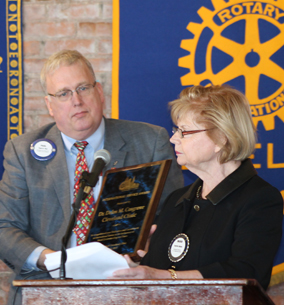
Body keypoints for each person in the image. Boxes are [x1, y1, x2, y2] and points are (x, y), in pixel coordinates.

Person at [0, 49, 184, 305]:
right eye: (63, 93)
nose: (76, 101)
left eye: (82, 88)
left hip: (130, 297)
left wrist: (148, 248)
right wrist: (49, 259)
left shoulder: (150, 142)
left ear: (99, 91)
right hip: (46, 301)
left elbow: (175, 221)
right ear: (49, 105)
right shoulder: (23, 152)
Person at [112, 85, 283, 290]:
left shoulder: (260, 199)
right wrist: (140, 264)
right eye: (176, 130)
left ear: (221, 138)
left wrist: (164, 277)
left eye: (184, 131)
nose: (173, 138)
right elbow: (162, 272)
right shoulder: (176, 200)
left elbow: (246, 272)